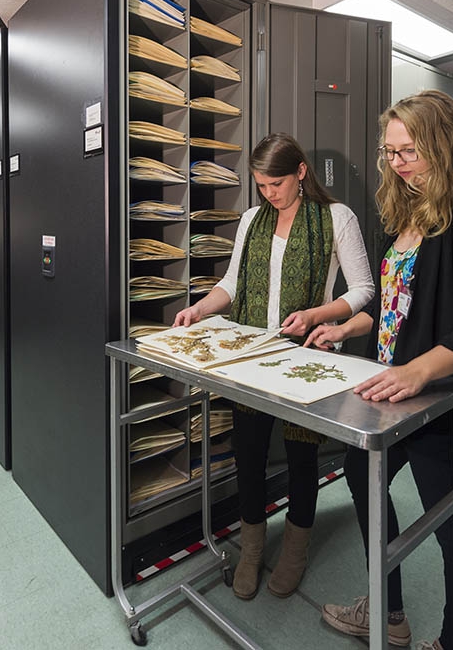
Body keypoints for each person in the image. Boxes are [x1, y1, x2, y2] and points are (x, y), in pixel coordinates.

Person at [311, 90, 453, 650]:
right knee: (361, 478)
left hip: (445, 401)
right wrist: (346, 327)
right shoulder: (405, 214)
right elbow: (398, 306)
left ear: (445, 146)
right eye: (389, 151)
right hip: (393, 395)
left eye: (409, 151)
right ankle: (389, 613)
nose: (397, 163)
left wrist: (417, 371)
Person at [173, 133, 374, 601]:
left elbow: (363, 289)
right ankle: (251, 549)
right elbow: (231, 282)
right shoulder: (251, 219)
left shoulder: (335, 218)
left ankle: (295, 552)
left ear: (301, 172)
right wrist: (200, 309)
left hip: (307, 355)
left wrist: (317, 315)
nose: (269, 194)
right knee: (249, 453)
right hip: (253, 357)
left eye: (276, 184)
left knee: (302, 459)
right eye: (261, 185)